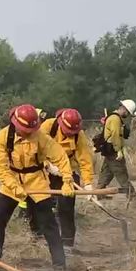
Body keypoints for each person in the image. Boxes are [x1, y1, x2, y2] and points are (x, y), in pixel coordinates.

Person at [0, 104, 75, 271]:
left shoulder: (41, 137)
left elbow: (61, 157)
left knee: (48, 223)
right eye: (25, 129)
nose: (29, 133)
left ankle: (59, 264)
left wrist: (67, 180)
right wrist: (14, 186)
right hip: (12, 180)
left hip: (37, 181)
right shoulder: (2, 137)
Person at [29, 109, 94, 254]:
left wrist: (88, 183)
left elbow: (85, 160)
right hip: (45, 170)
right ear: (60, 123)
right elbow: (35, 148)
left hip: (67, 173)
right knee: (40, 203)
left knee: (66, 205)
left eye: (73, 131)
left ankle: (67, 243)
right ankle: (38, 236)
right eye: (68, 131)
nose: (71, 134)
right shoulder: (47, 127)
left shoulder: (79, 136)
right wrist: (47, 164)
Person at [96, 99, 136, 199]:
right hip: (113, 150)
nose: (127, 114)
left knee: (107, 172)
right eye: (127, 112)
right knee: (121, 171)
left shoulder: (114, 117)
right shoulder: (115, 119)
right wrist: (118, 151)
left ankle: (99, 193)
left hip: (110, 149)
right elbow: (115, 136)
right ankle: (131, 193)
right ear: (124, 109)